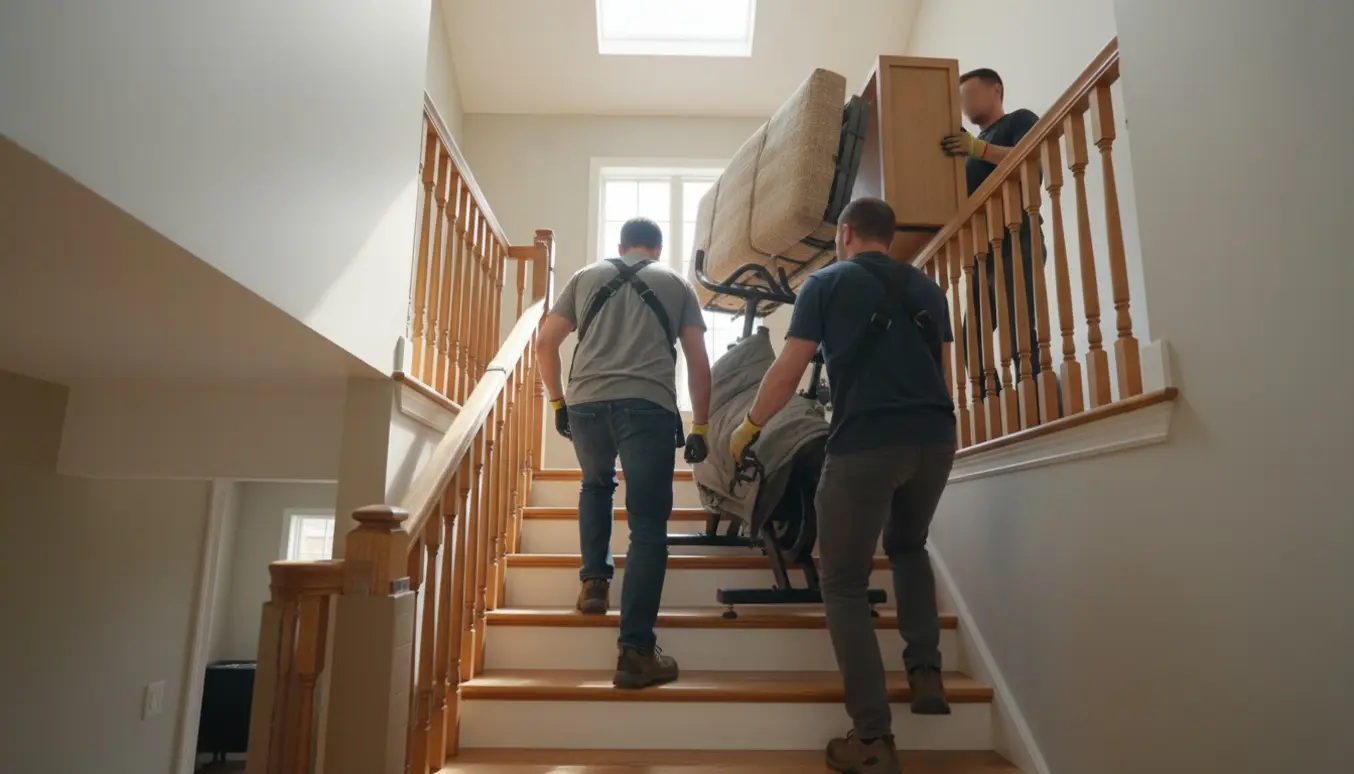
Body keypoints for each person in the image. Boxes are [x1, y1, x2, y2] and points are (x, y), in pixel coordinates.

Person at [730, 197, 957, 774]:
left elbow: (789, 368)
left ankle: (873, 738)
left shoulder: (824, 284)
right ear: (890, 234)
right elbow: (942, 372)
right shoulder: (929, 289)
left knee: (844, 585)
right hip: (935, 439)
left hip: (866, 444)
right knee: (908, 547)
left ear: (847, 233)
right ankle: (925, 672)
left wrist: (750, 427)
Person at [535, 216, 712, 690]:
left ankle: (594, 583)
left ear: (621, 246)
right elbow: (698, 359)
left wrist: (557, 402)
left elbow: (546, 342)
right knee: (648, 526)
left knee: (595, 484)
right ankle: (634, 651)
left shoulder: (586, 276)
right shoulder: (676, 284)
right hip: (647, 407)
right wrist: (702, 426)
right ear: (656, 249)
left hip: (587, 403)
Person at [942, 67, 1044, 397]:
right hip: (982, 252)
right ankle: (999, 407)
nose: (965, 103)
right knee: (972, 341)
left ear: (996, 90)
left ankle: (1037, 402)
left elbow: (1032, 158)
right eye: (961, 99)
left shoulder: (1018, 121)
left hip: (1019, 238)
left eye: (970, 94)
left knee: (1018, 332)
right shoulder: (967, 147)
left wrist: (979, 150)